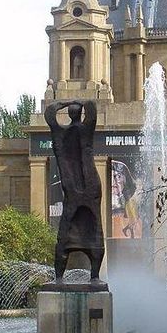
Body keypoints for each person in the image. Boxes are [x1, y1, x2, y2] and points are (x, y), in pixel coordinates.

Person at [44, 100, 105, 284]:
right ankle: (94, 276)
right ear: (79, 114)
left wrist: (65, 102)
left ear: (69, 114)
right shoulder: (86, 130)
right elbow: (92, 109)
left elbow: (50, 113)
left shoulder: (59, 133)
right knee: (94, 225)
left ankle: (59, 278)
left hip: (72, 186)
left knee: (67, 227)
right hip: (90, 184)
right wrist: (79, 101)